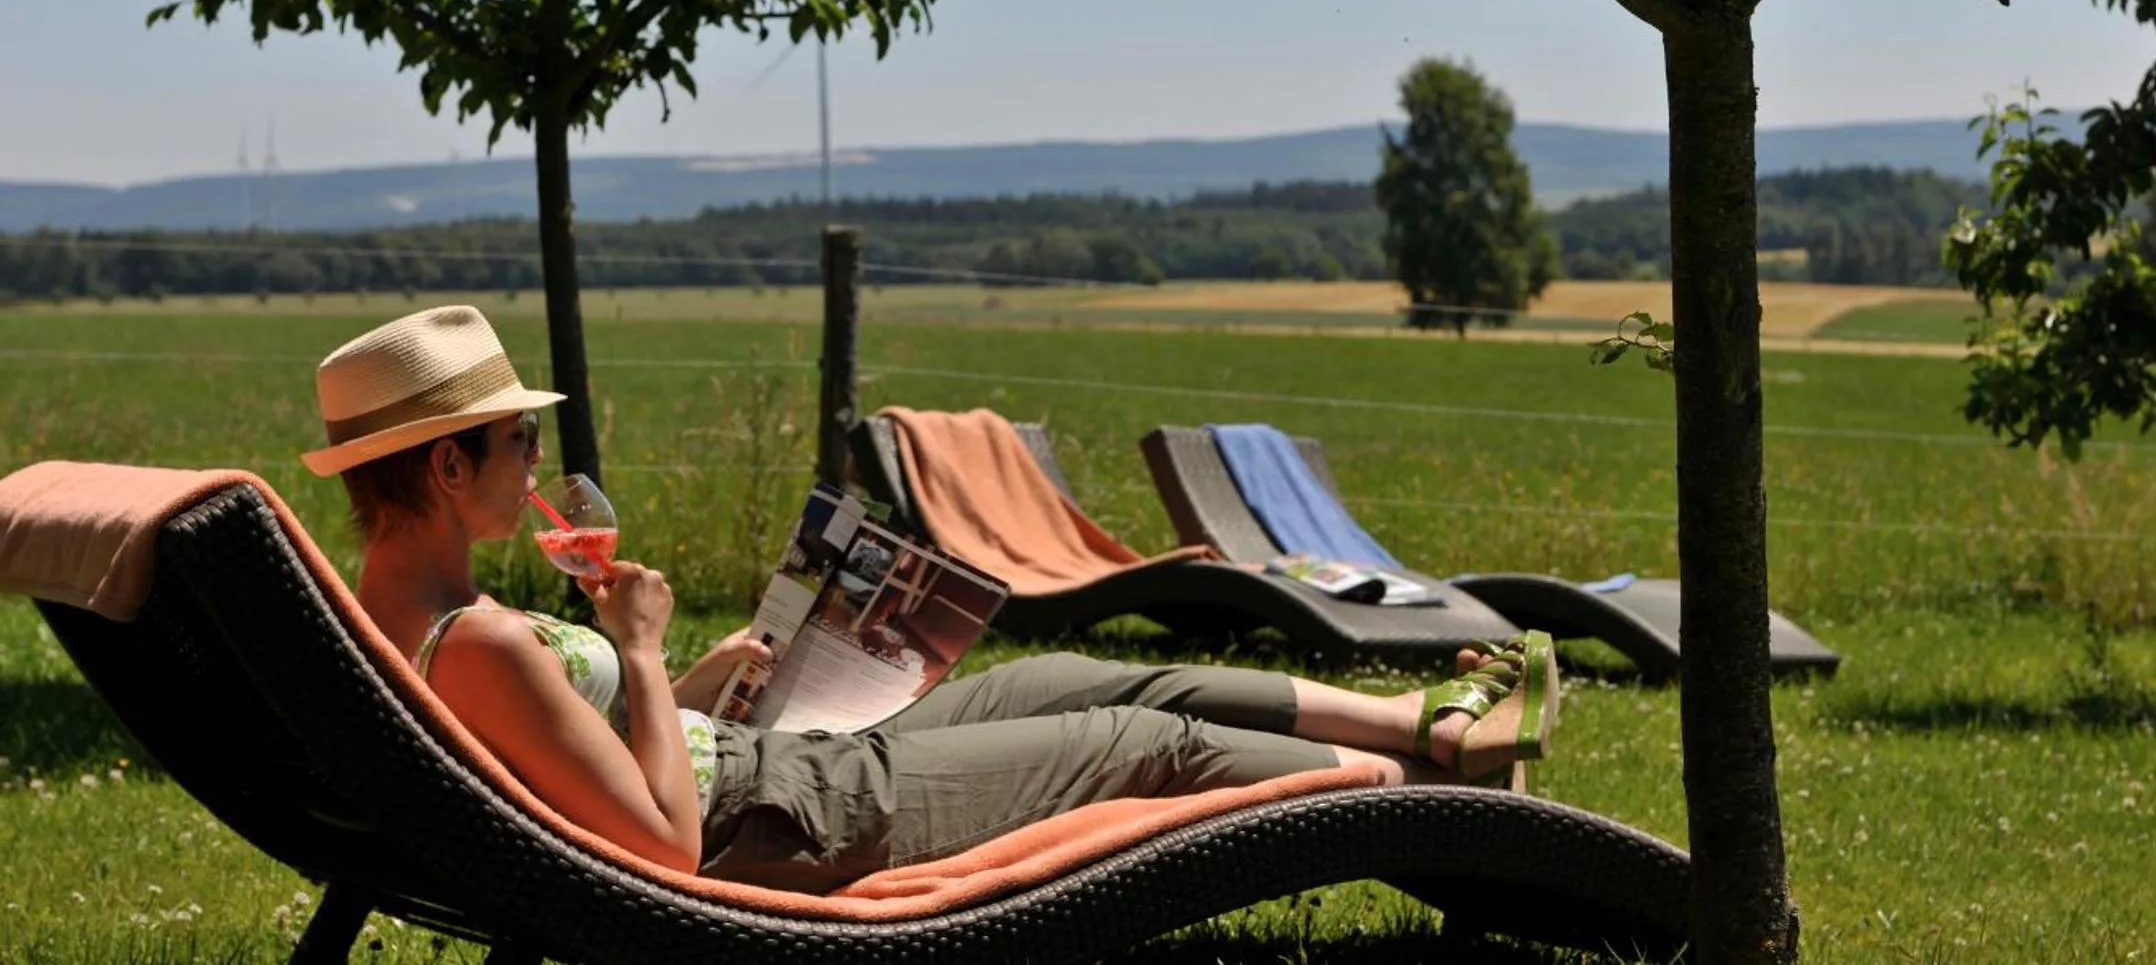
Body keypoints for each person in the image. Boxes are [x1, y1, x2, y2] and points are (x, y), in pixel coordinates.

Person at [305, 306, 1557, 890]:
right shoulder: (470, 642)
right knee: (1139, 745)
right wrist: (637, 653)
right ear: (448, 463)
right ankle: (1436, 814)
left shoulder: (400, 622)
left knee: (1076, 679)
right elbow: (658, 848)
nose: (537, 460)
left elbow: (574, 760)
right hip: (778, 810)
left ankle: (1426, 732)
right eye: (517, 440)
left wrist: (689, 681)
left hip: (753, 755)